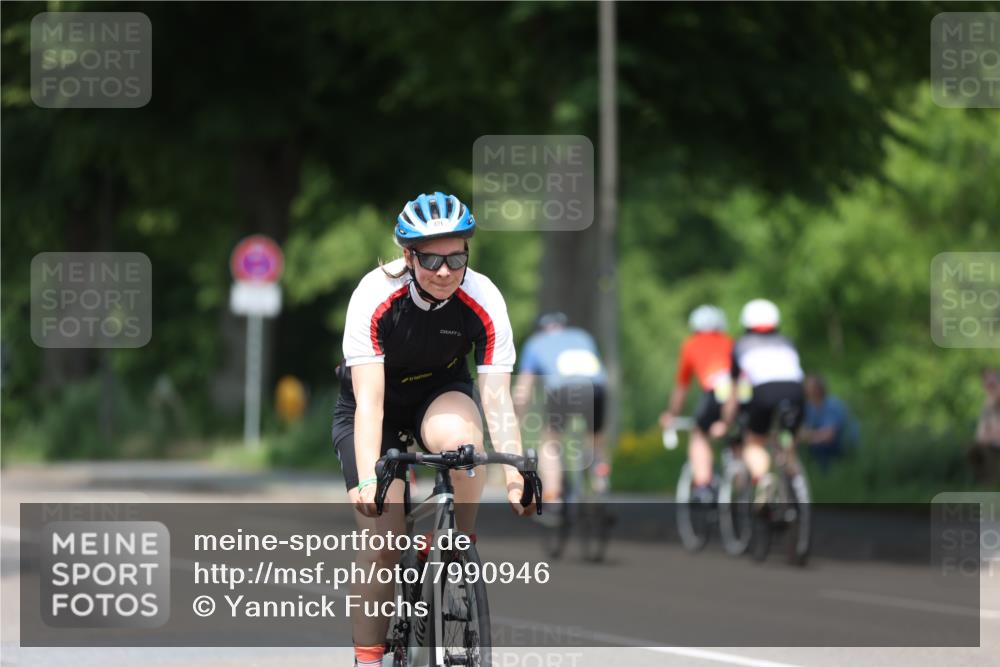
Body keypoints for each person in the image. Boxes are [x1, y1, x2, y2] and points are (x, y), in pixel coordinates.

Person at [332, 191, 533, 667]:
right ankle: (369, 659)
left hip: (437, 395)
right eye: (430, 259)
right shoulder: (374, 295)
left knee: (467, 451)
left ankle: (457, 551)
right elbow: (371, 400)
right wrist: (367, 478)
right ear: (407, 255)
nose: (444, 271)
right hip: (373, 409)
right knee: (382, 542)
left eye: (456, 257)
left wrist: (517, 473)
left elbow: (497, 396)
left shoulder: (482, 297)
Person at [710, 298, 807, 503]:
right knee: (787, 439)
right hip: (796, 392)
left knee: (754, 443)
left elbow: (734, 392)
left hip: (764, 392)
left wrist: (726, 422)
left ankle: (764, 480)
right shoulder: (788, 342)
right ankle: (795, 481)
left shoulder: (741, 345)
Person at [513, 312, 609, 502]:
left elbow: (523, 389)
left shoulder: (535, 343)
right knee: (595, 438)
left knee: (550, 443)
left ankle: (553, 494)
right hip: (596, 388)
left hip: (562, 389)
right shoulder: (582, 336)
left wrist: (516, 419)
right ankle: (600, 478)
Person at [659, 305, 733, 499]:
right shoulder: (730, 342)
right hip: (739, 391)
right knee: (739, 437)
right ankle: (745, 483)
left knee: (699, 434)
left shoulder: (691, 345)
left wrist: (672, 414)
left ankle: (703, 485)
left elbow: (682, 388)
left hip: (716, 390)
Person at [801, 374, 853, 474]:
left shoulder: (832, 405)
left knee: (820, 447)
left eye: (809, 386)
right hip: (818, 442)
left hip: (841, 443)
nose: (806, 388)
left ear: (818, 389)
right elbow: (801, 432)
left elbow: (829, 435)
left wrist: (809, 436)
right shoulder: (808, 407)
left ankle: (826, 476)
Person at [970, 368, 1000, 485]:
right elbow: (980, 436)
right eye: (987, 386)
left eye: (993, 385)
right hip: (993, 447)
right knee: (974, 450)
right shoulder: (989, 405)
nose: (990, 390)